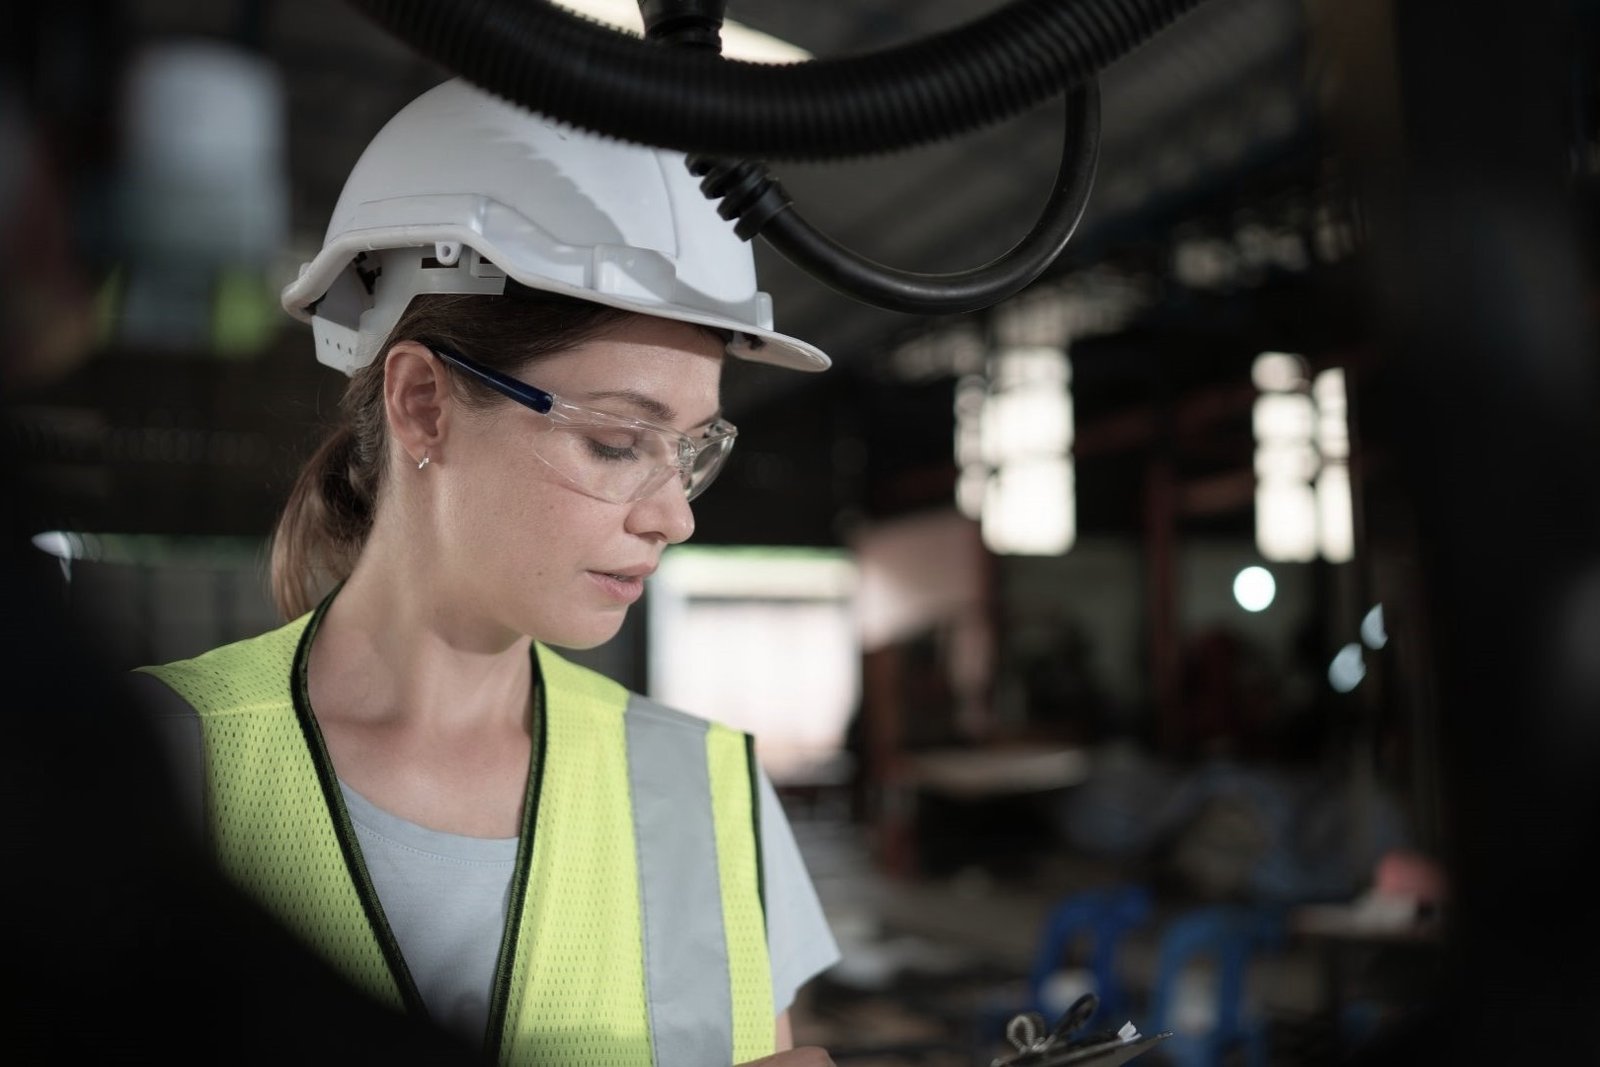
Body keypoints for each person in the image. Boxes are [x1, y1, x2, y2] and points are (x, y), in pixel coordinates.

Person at [127, 77, 840, 1065]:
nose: (675, 515)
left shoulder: (711, 793)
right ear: (423, 404)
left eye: (690, 449)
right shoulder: (147, 772)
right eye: (616, 441)